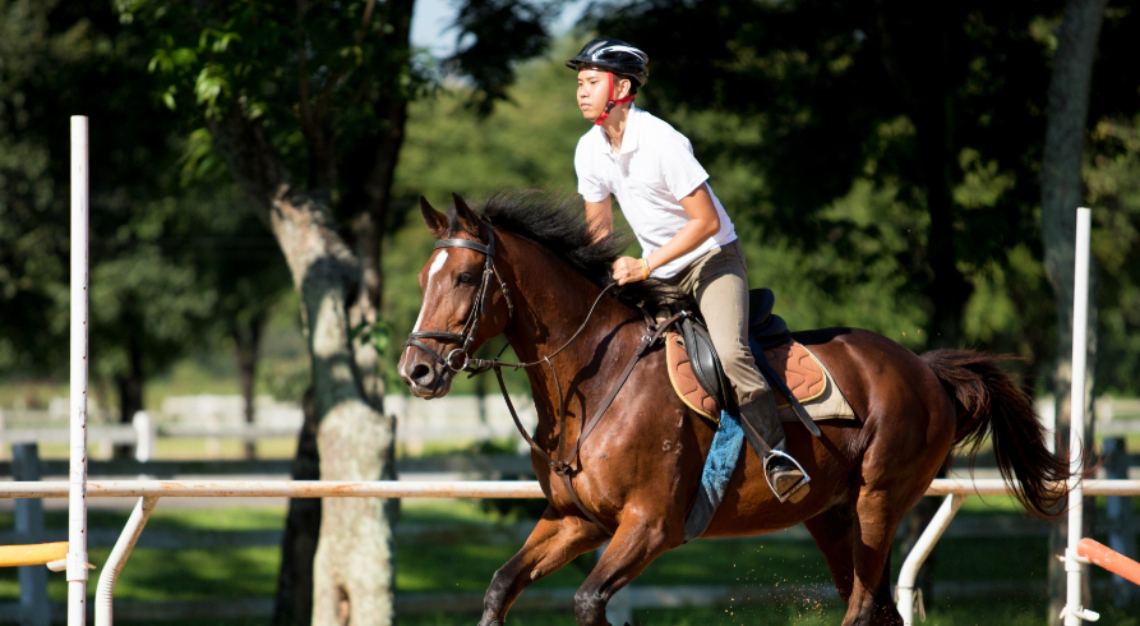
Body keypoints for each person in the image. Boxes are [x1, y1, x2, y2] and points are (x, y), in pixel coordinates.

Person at [568, 37, 810, 503]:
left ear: (621, 88)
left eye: (591, 82)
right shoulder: (588, 150)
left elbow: (707, 221)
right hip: (655, 270)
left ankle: (778, 458)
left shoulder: (661, 140)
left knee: (731, 351)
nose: (581, 91)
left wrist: (645, 263)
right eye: (579, 83)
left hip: (711, 259)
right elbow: (598, 234)